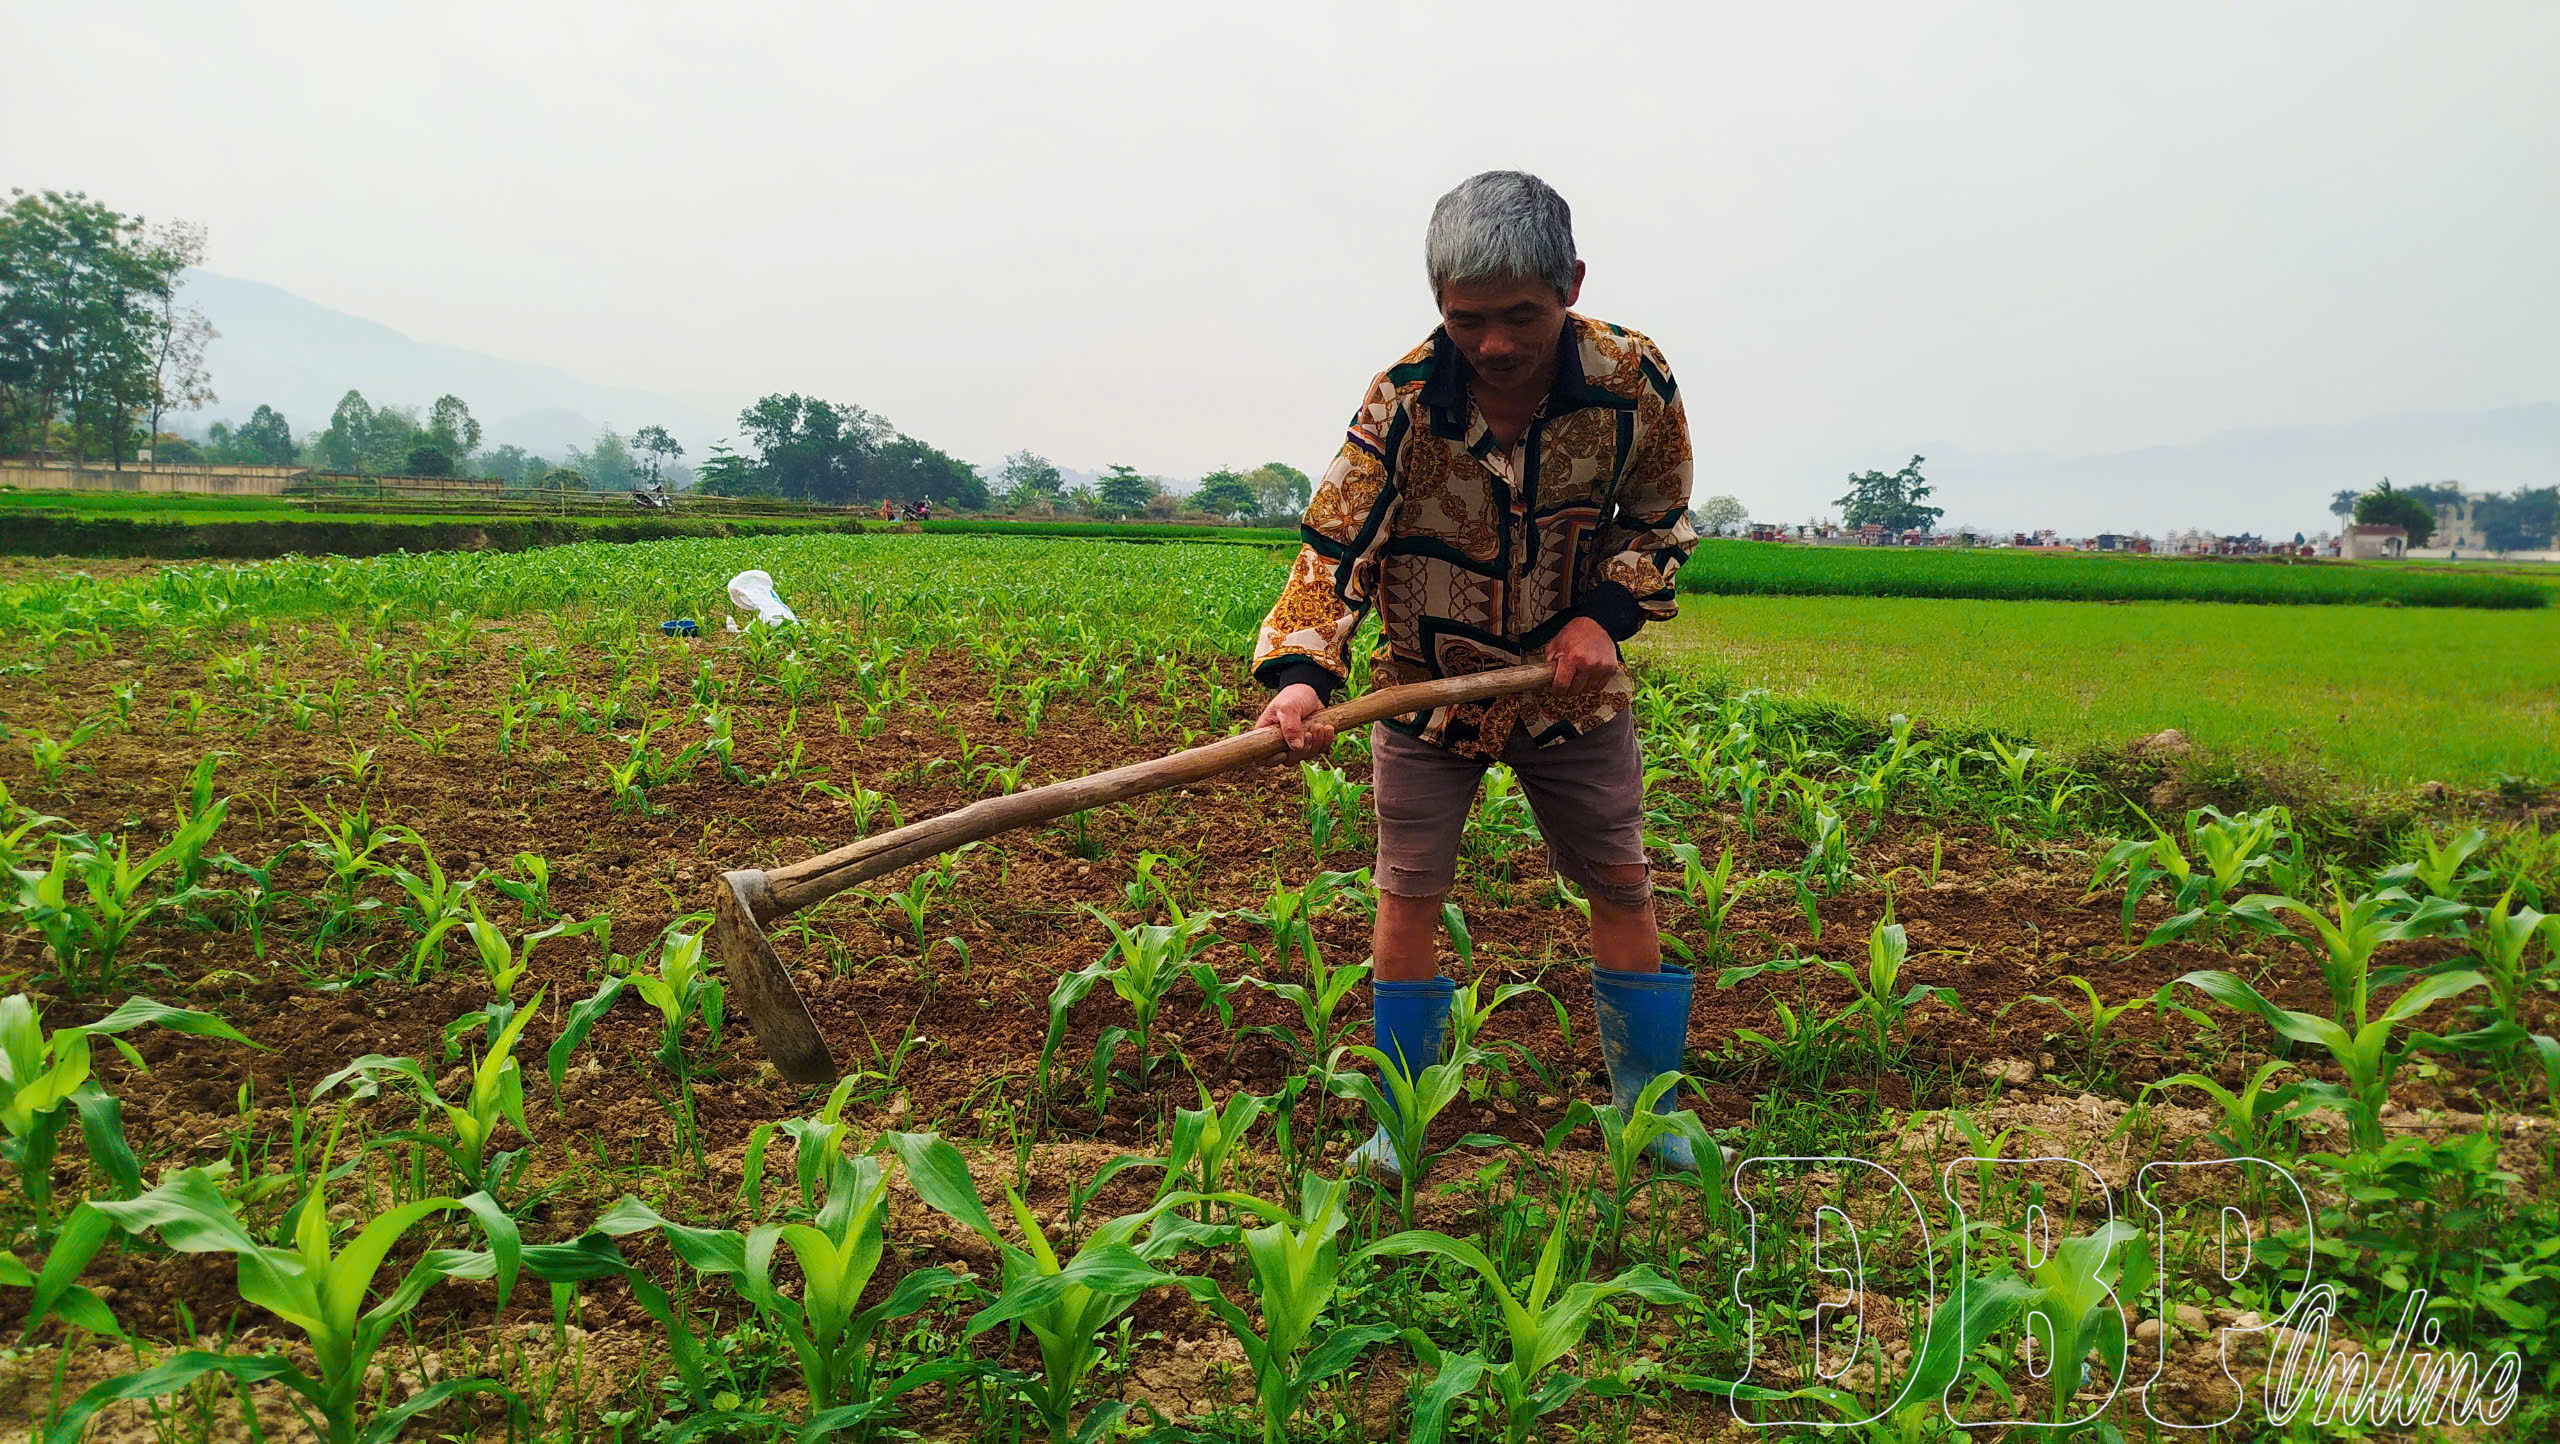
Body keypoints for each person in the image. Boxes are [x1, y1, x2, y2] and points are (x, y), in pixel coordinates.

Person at [1251, 171, 1701, 1174]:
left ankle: (1652, 1113)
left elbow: (1659, 522)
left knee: (1621, 885)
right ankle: (1398, 1125)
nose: (1492, 343)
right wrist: (1301, 676)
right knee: (1406, 896)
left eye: (1519, 317)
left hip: (1567, 694)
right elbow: (1336, 547)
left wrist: (1601, 617)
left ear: (1571, 284)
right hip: (1426, 693)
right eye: (1465, 320)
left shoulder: (1633, 383)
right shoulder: (1404, 400)